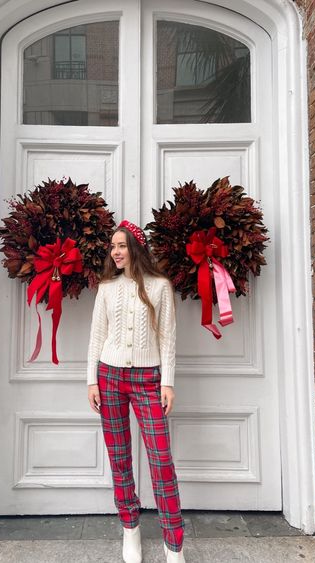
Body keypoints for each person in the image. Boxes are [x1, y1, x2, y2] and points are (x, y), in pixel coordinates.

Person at [87, 220, 186, 563]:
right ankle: (130, 529)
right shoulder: (106, 288)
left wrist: (167, 381)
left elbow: (168, 337)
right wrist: (91, 380)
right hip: (109, 377)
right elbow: (97, 337)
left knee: (161, 461)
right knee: (119, 458)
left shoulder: (160, 286)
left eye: (122, 245)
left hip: (148, 380)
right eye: (112, 246)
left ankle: (174, 544)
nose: (115, 252)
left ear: (135, 248)